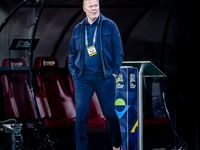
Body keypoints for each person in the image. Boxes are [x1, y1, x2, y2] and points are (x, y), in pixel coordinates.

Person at [68, 0, 124, 149]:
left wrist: (114, 73)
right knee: (81, 114)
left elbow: (118, 50)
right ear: (84, 8)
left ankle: (116, 145)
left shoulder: (109, 25)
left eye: (96, 5)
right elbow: (72, 52)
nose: (94, 9)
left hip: (104, 76)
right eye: (91, 6)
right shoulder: (78, 28)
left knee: (110, 114)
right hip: (83, 78)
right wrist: (73, 72)